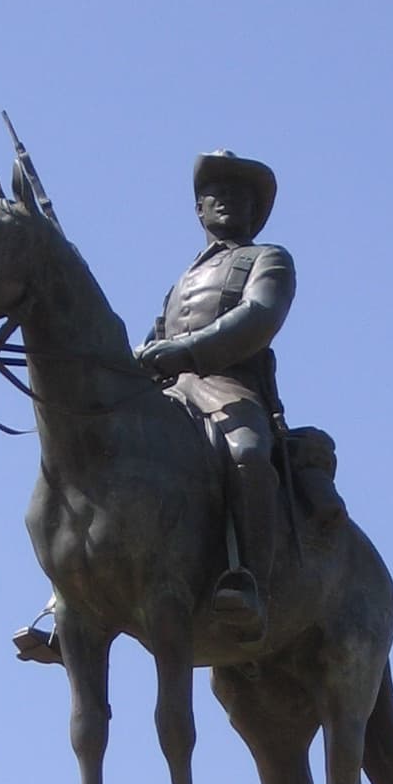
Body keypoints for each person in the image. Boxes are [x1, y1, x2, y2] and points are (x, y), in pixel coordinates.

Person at [134, 151, 295, 639]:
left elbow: (258, 318)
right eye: (215, 194)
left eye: (240, 195)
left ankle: (250, 583)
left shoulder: (268, 259)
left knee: (247, 452)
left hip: (229, 386)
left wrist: (181, 353)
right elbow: (154, 338)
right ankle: (70, 594)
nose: (227, 200)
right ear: (199, 210)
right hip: (171, 392)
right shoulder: (179, 282)